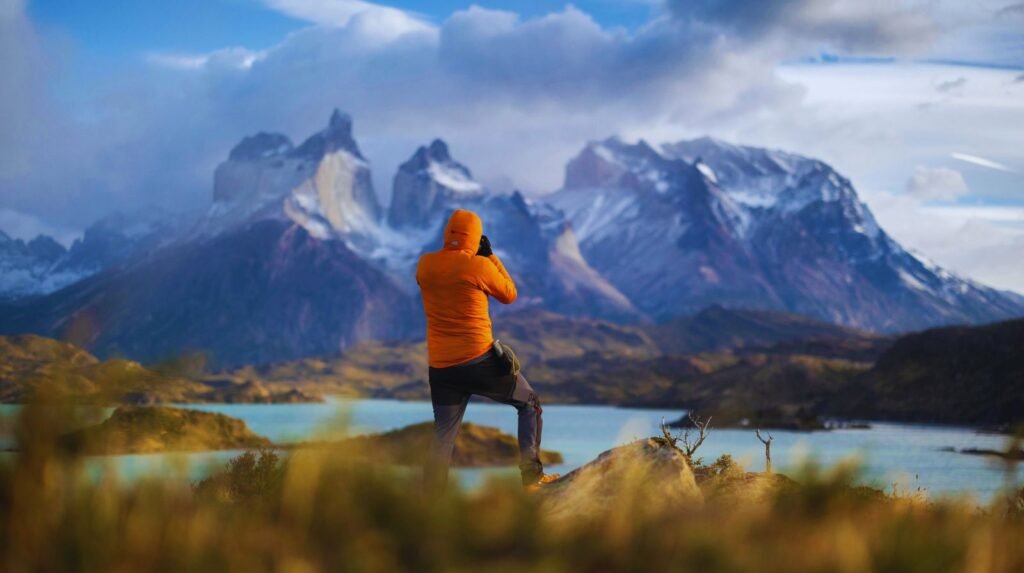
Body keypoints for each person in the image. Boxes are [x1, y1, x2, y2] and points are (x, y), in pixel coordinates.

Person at [416, 209, 559, 492]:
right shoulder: (478, 266)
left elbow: (436, 279)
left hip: (442, 368)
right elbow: (509, 294)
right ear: (475, 237)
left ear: (447, 234)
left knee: (443, 435)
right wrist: (489, 256)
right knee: (529, 404)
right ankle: (532, 477)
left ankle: (431, 504)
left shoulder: (424, 266)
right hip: (479, 362)